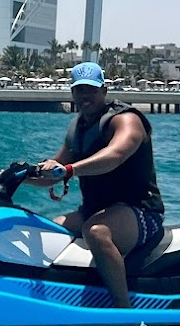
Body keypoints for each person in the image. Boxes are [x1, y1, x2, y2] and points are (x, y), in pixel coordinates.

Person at [28, 62, 164, 309]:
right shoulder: (79, 128)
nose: (85, 96)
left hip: (140, 211)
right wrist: (17, 177)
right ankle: (53, 299)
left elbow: (115, 155)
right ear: (72, 93)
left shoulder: (127, 120)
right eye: (79, 90)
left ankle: (123, 311)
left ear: (104, 90)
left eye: (91, 89)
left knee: (96, 232)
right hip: (96, 209)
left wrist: (70, 169)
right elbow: (53, 173)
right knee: (49, 228)